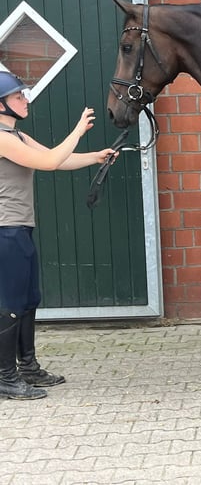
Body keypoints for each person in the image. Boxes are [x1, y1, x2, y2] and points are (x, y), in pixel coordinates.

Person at [0, 71, 117, 400]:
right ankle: (6, 377)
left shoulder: (17, 137)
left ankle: (27, 368)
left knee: (28, 300)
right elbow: (50, 161)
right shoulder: (3, 138)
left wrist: (95, 157)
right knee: (11, 304)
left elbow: (57, 156)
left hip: (18, 228)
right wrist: (78, 129)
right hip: (5, 231)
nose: (25, 100)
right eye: (18, 96)